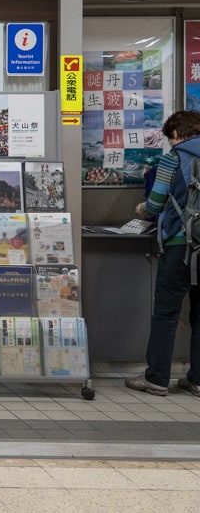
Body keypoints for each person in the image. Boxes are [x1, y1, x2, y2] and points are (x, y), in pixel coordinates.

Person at [126, 110, 200, 396]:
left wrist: (141, 210)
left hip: (180, 246)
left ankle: (156, 378)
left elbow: (155, 203)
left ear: (176, 135)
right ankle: (196, 379)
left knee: (166, 313)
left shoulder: (173, 158)